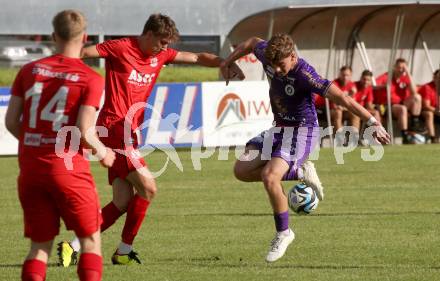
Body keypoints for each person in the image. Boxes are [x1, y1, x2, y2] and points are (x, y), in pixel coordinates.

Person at [58, 13, 243, 266]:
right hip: (114, 128)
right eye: (162, 42)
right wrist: (60, 71)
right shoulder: (121, 47)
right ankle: (124, 250)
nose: (165, 48)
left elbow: (198, 57)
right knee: (149, 188)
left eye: (168, 43)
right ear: (148, 34)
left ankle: (74, 246)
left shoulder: (161, 55)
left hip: (130, 133)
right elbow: (82, 53)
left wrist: (226, 62)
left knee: (122, 202)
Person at [220, 34, 390, 263]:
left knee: (270, 177)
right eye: (273, 65)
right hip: (279, 128)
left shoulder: (305, 73)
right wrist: (228, 61)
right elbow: (251, 42)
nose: (277, 70)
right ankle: (301, 172)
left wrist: (373, 122)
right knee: (241, 170)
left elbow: (343, 99)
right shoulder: (268, 55)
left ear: (292, 56)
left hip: (302, 131)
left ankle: (284, 233)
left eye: (281, 65)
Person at [5, 10, 115, 281]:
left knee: (39, 247)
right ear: (85, 37)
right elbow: (84, 130)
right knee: (90, 240)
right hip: (68, 170)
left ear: (54, 36)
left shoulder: (28, 70)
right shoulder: (91, 78)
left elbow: (10, 121)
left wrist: (36, 145)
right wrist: (104, 153)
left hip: (31, 171)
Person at [375, 58, 423, 143]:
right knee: (402, 109)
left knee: (417, 97)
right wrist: (384, 86)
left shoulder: (405, 77)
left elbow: (414, 91)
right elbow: (374, 86)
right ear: (394, 67)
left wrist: (408, 73)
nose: (401, 70)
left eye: (403, 68)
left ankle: (414, 123)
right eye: (399, 67)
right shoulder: (387, 76)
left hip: (401, 103)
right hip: (387, 105)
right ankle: (405, 136)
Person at [331, 66, 357, 133]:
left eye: (347, 75)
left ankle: (354, 139)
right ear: (340, 74)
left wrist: (352, 95)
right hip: (330, 111)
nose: (345, 77)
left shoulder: (352, 85)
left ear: (351, 75)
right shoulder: (334, 84)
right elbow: (335, 105)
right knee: (338, 112)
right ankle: (340, 139)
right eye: (343, 75)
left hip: (344, 110)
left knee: (356, 114)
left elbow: (352, 104)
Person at [418, 69, 440, 143]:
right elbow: (426, 105)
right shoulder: (427, 87)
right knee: (429, 114)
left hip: (437, 111)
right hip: (424, 111)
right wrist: (436, 111)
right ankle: (433, 138)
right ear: (434, 77)